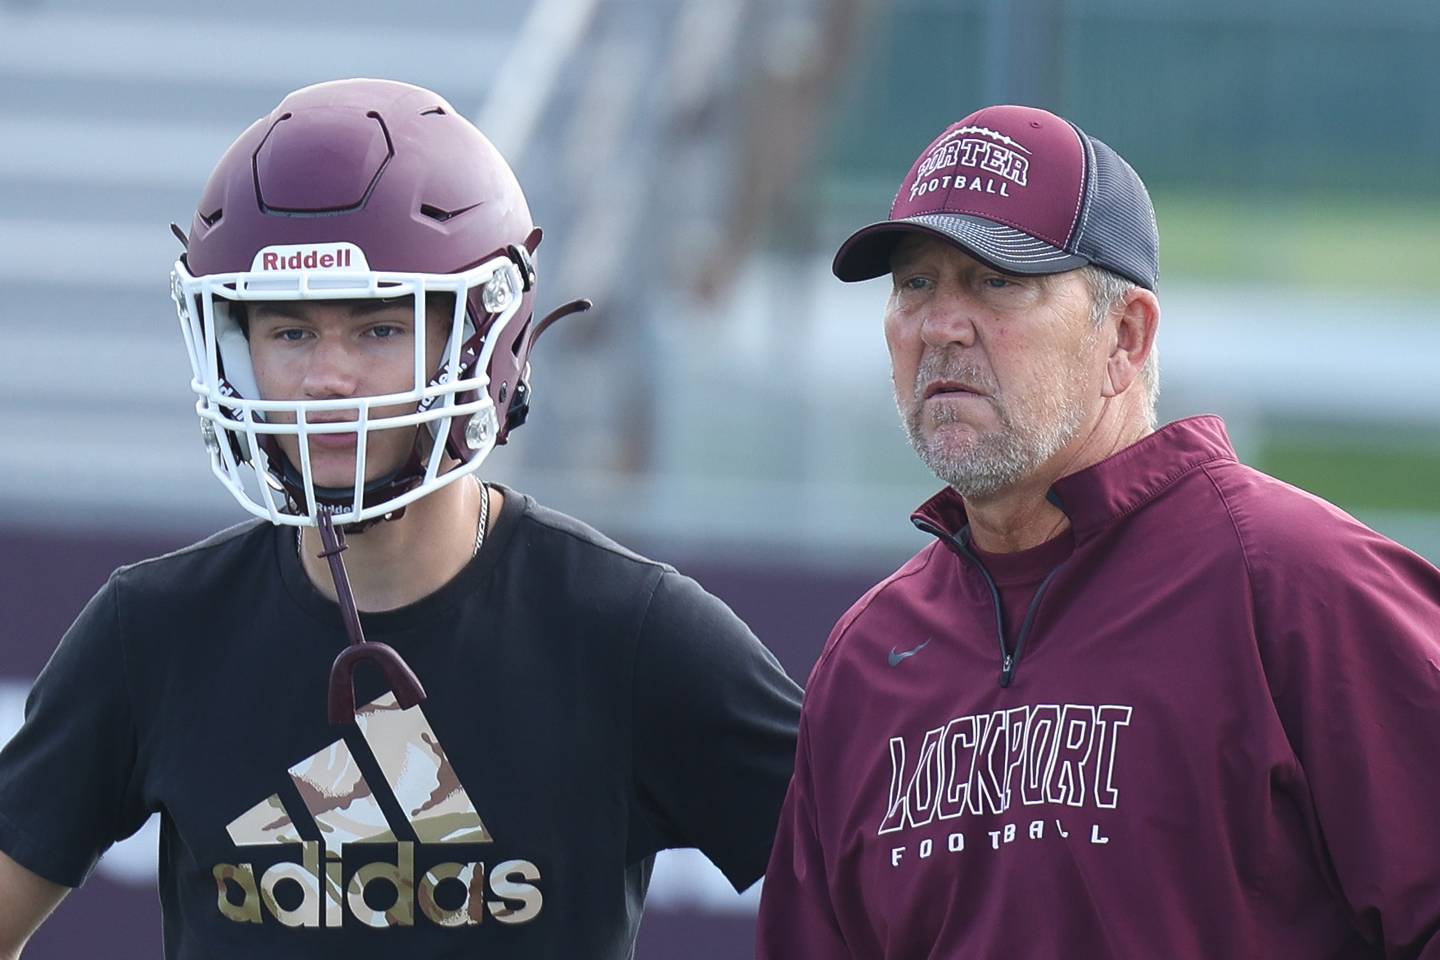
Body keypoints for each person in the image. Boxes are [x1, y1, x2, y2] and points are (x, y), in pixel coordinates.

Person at [0, 78, 801, 959]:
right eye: (289, 333)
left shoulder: (632, 633)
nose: (326, 379)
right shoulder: (150, 633)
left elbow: (888, 902)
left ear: (480, 337)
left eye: (378, 328)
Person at [755, 103, 1440, 958]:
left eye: (997, 280)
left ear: (1125, 334)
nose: (940, 325)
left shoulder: (1294, 582)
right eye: (915, 283)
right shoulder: (866, 661)